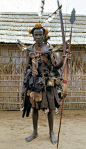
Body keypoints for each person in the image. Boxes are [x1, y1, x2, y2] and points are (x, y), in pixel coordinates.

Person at [21, 23, 64, 144]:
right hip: (34, 83)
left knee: (50, 109)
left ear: (44, 36)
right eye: (36, 35)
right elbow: (26, 67)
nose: (38, 37)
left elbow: (55, 67)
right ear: (33, 36)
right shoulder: (30, 50)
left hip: (48, 82)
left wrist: (63, 60)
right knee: (34, 108)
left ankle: (51, 132)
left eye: (41, 34)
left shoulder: (50, 49)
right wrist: (25, 84)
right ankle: (35, 132)